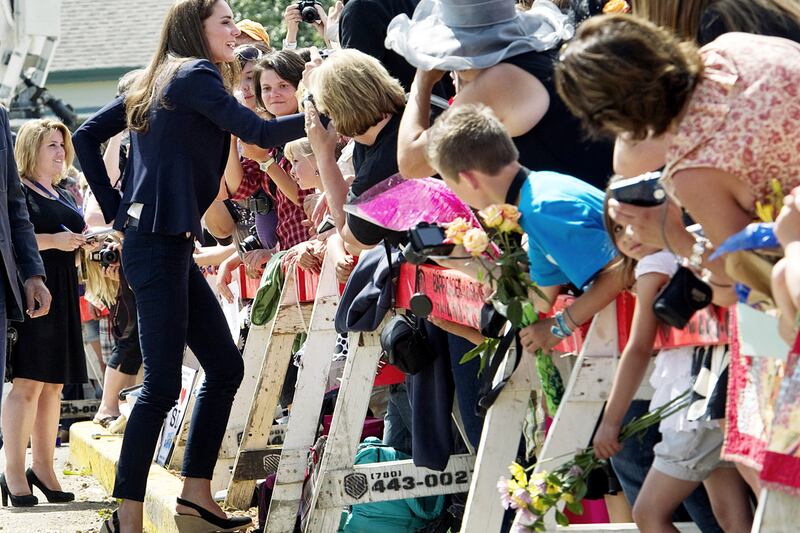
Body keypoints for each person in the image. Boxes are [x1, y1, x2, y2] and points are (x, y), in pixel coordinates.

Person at [72, 1, 305, 531]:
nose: (234, 29)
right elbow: (262, 135)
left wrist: (118, 209)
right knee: (158, 386)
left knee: (224, 367)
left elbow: (86, 136)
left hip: (163, 245)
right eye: (223, 21)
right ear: (194, 30)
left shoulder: (158, 79)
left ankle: (196, 496)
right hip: (155, 245)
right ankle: (126, 517)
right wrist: (328, 112)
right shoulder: (195, 74)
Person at [593, 180, 752, 533]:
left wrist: (610, 420)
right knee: (732, 515)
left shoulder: (654, 264)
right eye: (618, 228)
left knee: (648, 513)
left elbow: (638, 348)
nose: (629, 234)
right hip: (714, 391)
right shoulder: (684, 252)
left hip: (697, 403)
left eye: (635, 221)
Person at [387, 0, 613, 190]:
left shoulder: (497, 82)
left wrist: (422, 80)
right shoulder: (531, 59)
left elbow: (411, 163)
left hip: (595, 226)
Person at [1, 119, 84, 508]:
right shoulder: (19, 190)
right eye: (51, 145)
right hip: (33, 288)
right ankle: (14, 472)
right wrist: (55, 240)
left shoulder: (62, 190)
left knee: (54, 385)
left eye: (61, 145)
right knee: (28, 384)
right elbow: (14, 236)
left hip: (65, 288)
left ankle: (45, 468)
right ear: (31, 148)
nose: (59, 152)